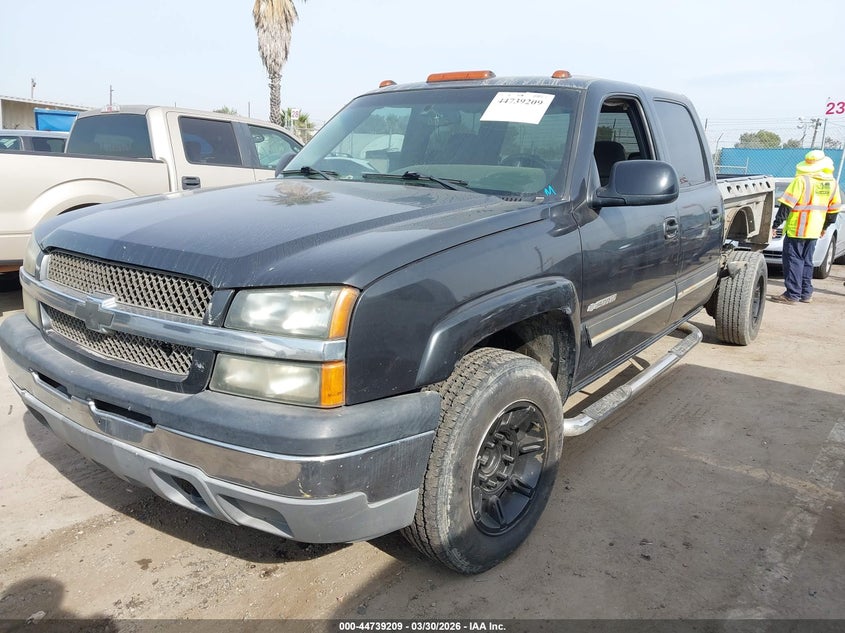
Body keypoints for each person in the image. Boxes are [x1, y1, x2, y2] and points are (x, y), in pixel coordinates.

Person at [770, 150, 841, 304]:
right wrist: (824, 227)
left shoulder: (802, 180)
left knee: (793, 260)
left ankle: (792, 294)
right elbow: (834, 210)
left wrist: (776, 224)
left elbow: (786, 205)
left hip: (798, 228)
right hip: (815, 230)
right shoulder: (832, 184)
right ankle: (806, 293)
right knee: (807, 261)